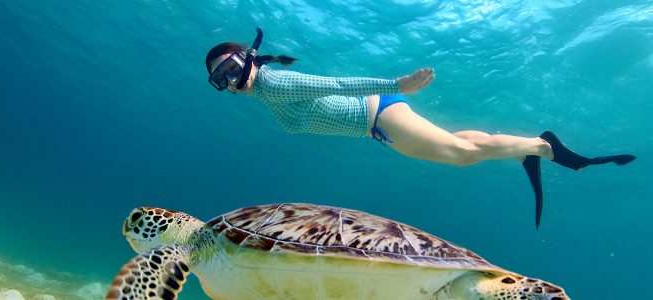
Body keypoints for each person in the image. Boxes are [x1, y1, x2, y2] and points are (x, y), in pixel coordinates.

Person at [205, 28, 636, 228]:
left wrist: (398, 84)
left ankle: (542, 148)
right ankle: (527, 149)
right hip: (377, 120)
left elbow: (335, 83)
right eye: (218, 80)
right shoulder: (266, 91)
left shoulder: (273, 82)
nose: (228, 81)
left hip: (377, 115)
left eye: (227, 68)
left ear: (246, 57)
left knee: (461, 157)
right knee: (461, 145)